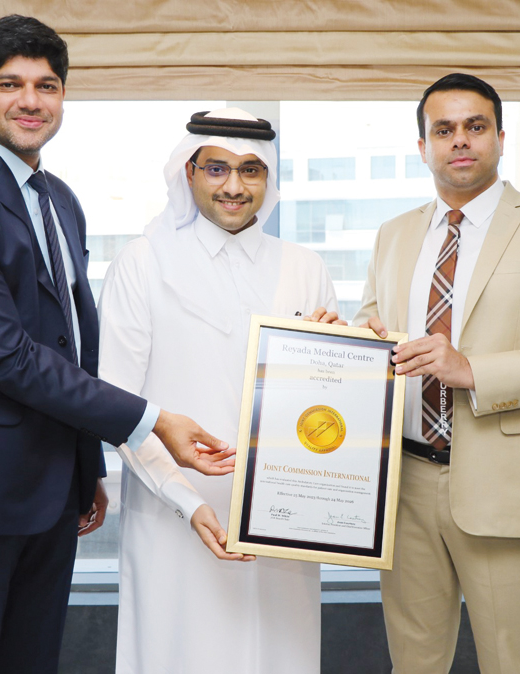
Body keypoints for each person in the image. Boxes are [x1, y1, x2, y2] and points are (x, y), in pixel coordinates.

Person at [0, 16, 233, 674]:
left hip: (48, 490)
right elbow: (10, 357)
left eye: (46, 85)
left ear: (63, 96)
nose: (30, 100)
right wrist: (152, 421)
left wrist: (84, 467)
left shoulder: (59, 199)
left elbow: (70, 342)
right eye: (9, 84)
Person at [356, 73, 520, 673]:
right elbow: (376, 334)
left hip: (507, 485)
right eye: (443, 130)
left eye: (475, 126)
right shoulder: (393, 236)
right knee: (414, 662)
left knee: (512, 662)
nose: (460, 141)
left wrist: (472, 370)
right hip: (406, 485)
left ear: (500, 136)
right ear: (423, 146)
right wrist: (337, 342)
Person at [97, 108, 340, 674]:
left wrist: (346, 357)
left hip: (285, 526)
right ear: (189, 173)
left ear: (268, 180)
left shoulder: (305, 267)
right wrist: (189, 504)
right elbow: (120, 408)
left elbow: (328, 405)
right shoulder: (143, 263)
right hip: (174, 516)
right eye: (217, 169)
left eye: (251, 170)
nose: (234, 186)